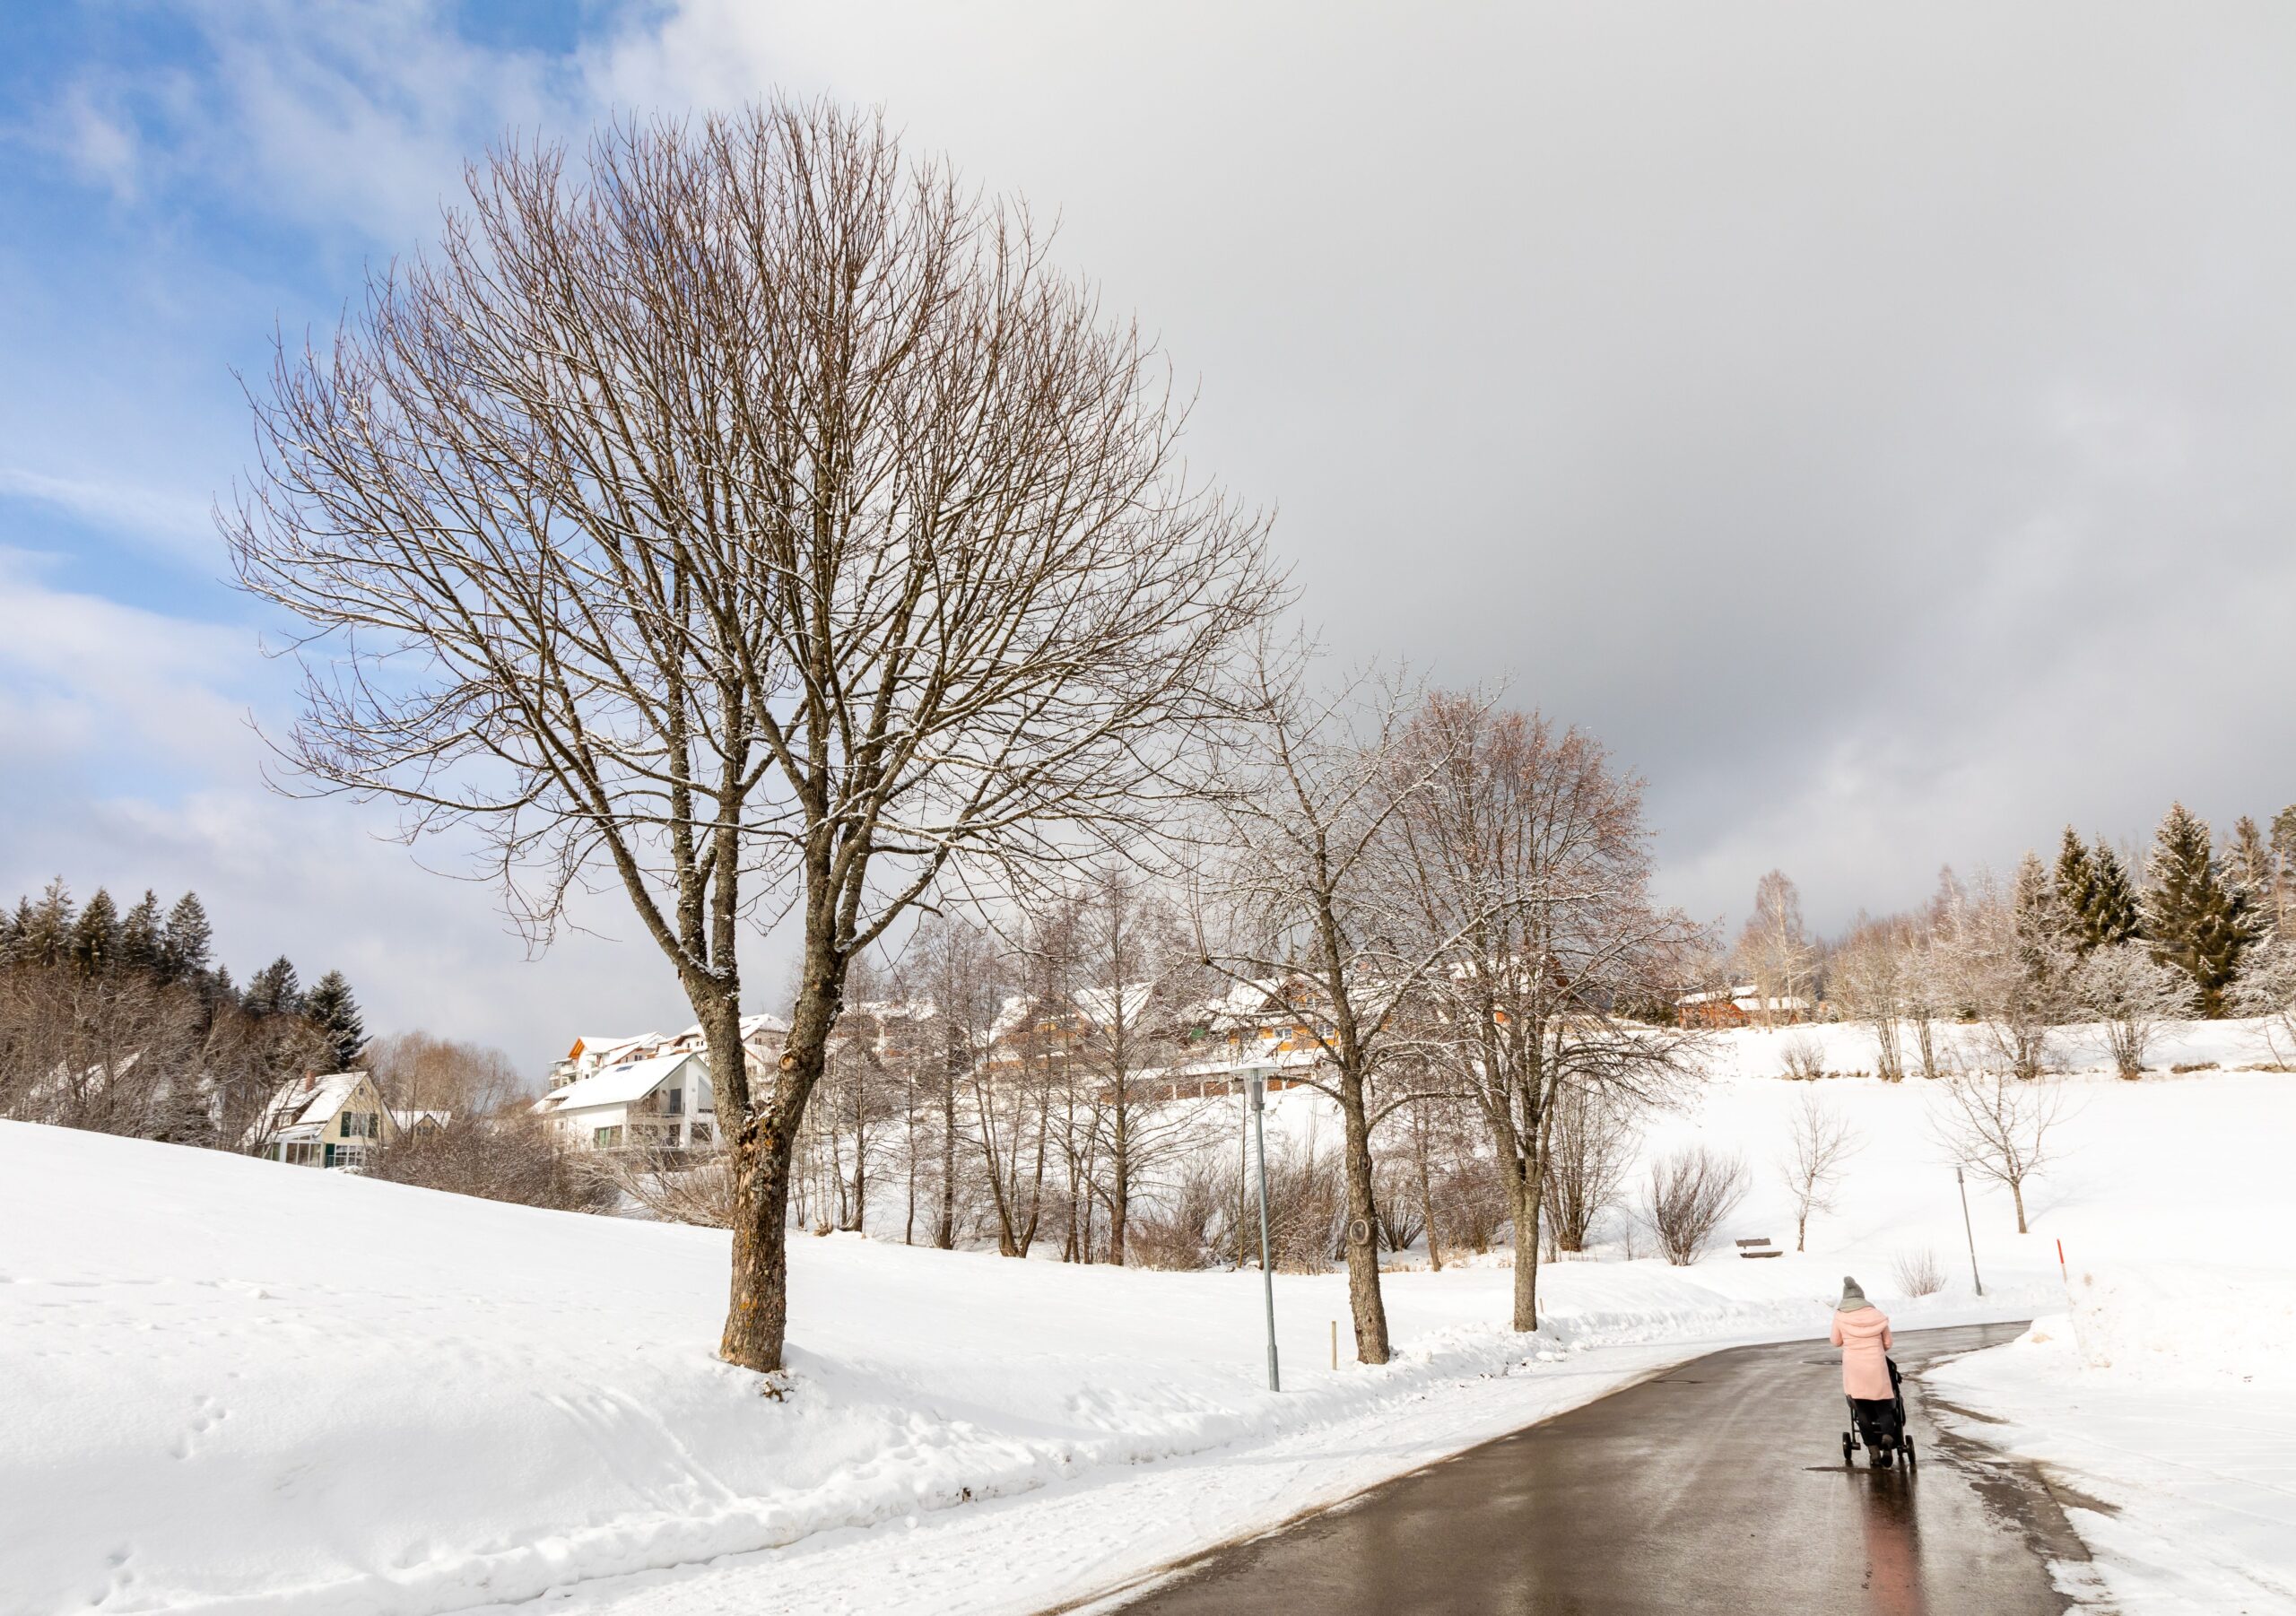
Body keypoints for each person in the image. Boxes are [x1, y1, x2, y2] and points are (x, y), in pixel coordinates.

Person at [1829, 1275, 1894, 1398]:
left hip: (1853, 1366)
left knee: (1860, 1402)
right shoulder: (1876, 1314)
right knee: (1883, 1405)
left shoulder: (1840, 1315)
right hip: (1876, 1364)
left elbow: (1836, 1341)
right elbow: (1888, 1342)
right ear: (1862, 1296)